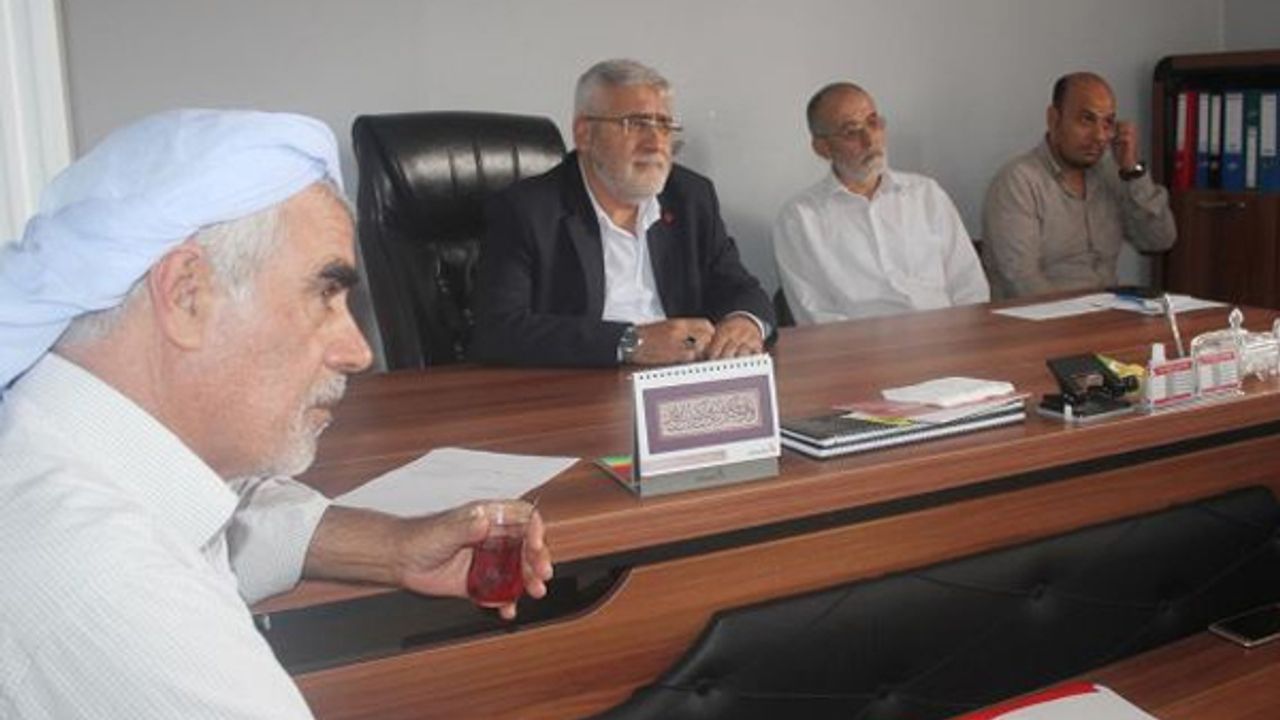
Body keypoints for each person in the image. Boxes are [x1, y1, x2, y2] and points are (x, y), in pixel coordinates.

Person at [0, 110, 553, 719]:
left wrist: (393, 546)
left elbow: (227, 516)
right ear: (185, 294)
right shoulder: (110, 586)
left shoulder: (55, 445)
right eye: (325, 295)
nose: (359, 352)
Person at [472, 59, 774, 367]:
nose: (655, 143)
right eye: (637, 124)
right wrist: (629, 342)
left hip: (683, 377)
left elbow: (741, 289)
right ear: (585, 134)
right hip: (584, 382)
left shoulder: (691, 197)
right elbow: (497, 330)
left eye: (664, 126)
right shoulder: (527, 211)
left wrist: (744, 321)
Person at [773, 82, 989, 324]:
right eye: (851, 131)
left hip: (947, 335)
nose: (869, 140)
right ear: (823, 148)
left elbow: (969, 284)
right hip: (862, 344)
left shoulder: (925, 194)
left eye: (873, 122)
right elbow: (815, 315)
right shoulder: (800, 219)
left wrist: (964, 336)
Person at [983, 72, 1177, 298]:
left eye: (1108, 123)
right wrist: (1081, 316)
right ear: (1054, 119)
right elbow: (1022, 282)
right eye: (1087, 119)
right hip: (1045, 315)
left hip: (1109, 309)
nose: (1100, 136)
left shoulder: (1113, 175)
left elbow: (1159, 240)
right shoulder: (1018, 182)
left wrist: (1132, 171)